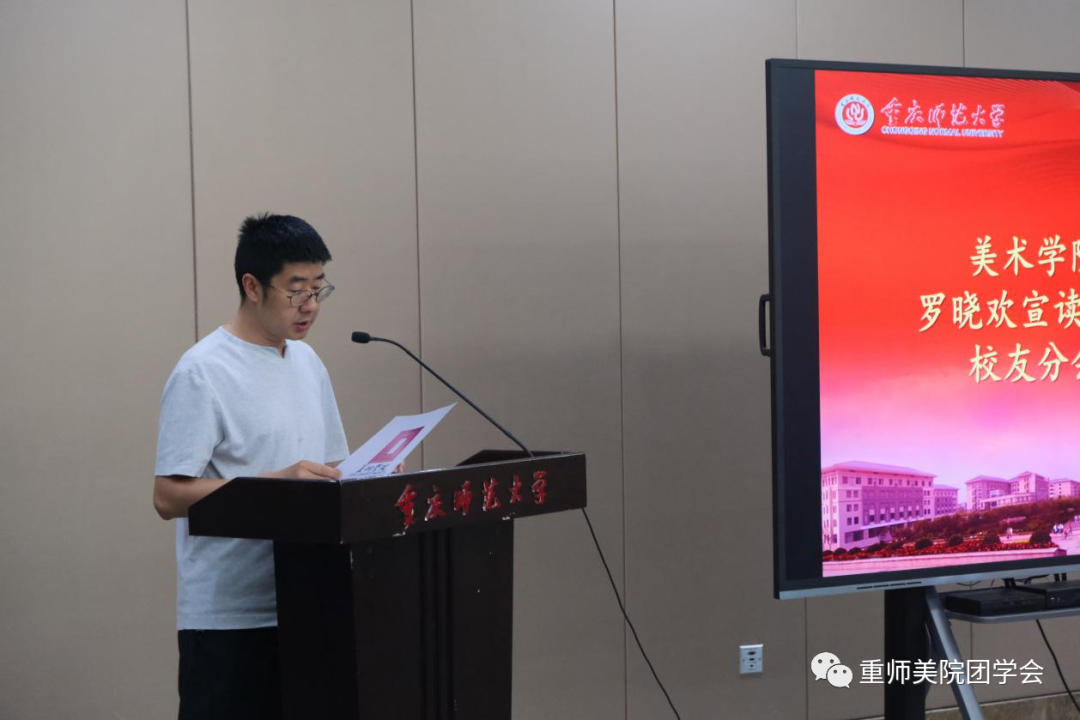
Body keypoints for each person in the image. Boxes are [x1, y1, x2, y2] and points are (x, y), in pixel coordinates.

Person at [153, 213, 348, 720]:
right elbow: (167, 497)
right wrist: (274, 484)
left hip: (309, 603)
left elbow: (330, 469)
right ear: (252, 285)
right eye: (296, 290)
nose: (310, 305)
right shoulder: (204, 370)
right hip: (230, 616)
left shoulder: (308, 363)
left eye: (319, 289)